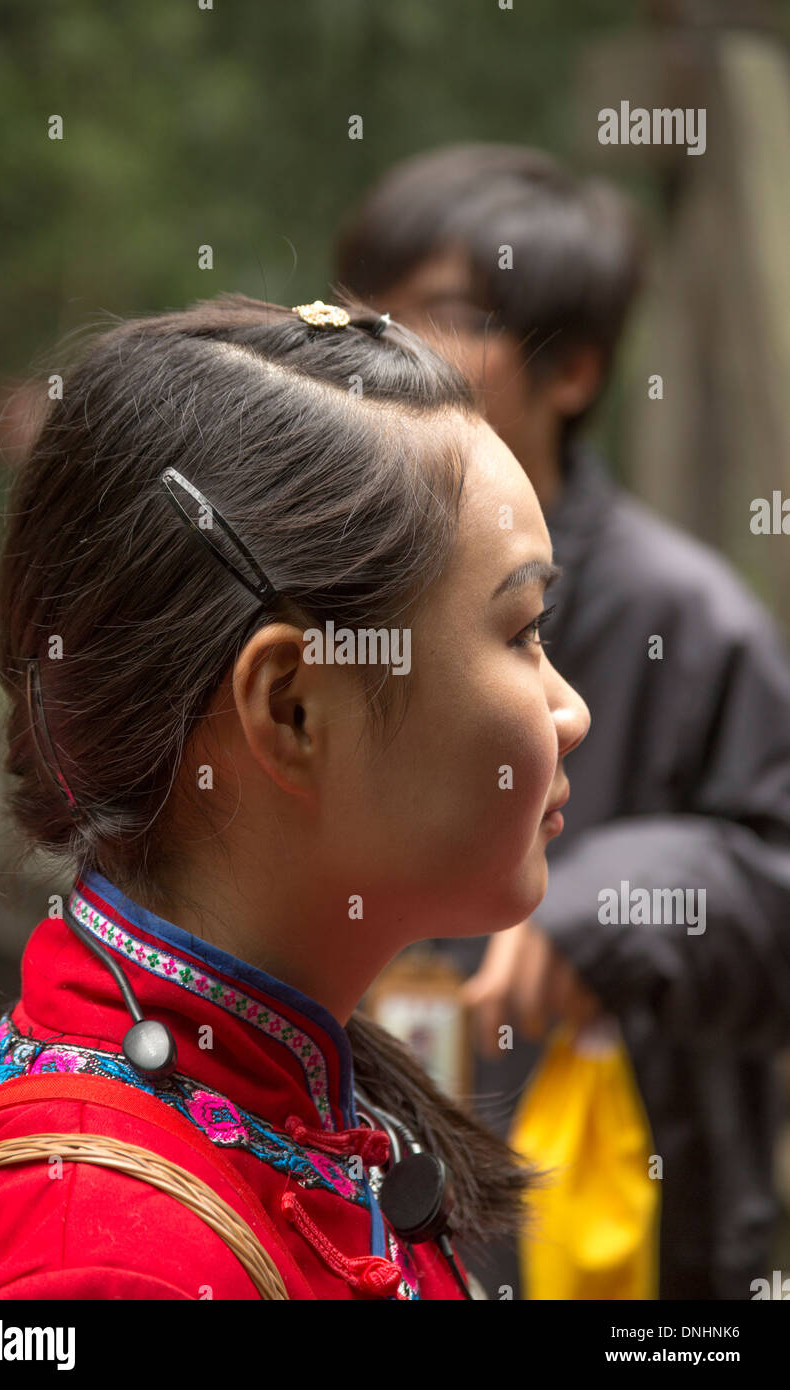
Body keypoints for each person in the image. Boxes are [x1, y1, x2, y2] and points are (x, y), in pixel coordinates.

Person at [0, 292, 589, 1300]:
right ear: (290, 709)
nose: (567, 709)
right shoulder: (96, 1259)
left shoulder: (292, 1102)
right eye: (518, 632)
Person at [334, 144, 790, 1300]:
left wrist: (616, 901)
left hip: (623, 1235)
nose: (382, 350)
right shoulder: (330, 587)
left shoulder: (682, 619)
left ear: (574, 369)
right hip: (375, 1214)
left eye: (438, 315)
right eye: (362, 309)